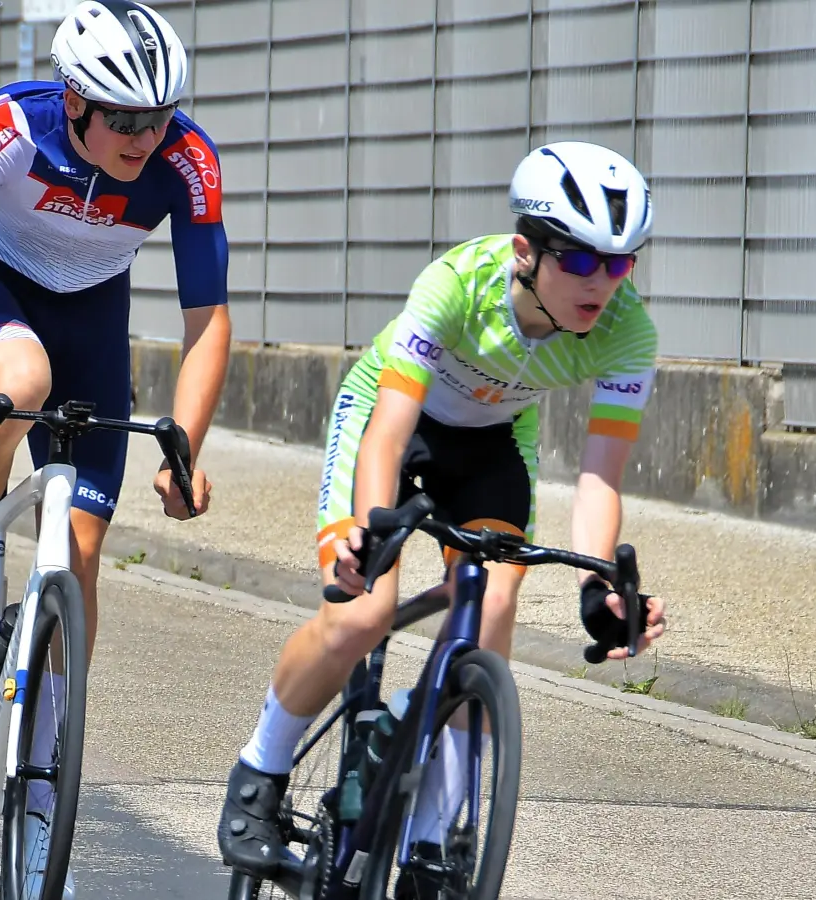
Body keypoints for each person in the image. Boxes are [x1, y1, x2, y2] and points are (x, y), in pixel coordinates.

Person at [216, 141, 670, 895]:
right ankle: (259, 770)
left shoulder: (628, 334)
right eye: (581, 261)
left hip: (491, 445)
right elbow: (388, 433)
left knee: (490, 609)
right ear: (525, 252)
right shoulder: (455, 284)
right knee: (360, 614)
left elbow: (597, 479)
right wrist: (367, 530)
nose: (603, 283)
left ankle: (428, 842)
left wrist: (599, 588)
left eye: (619, 263)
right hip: (390, 419)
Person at [0, 1, 231, 893]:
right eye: (122, 117)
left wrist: (184, 448)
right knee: (20, 384)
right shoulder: (2, 130)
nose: (142, 136)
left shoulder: (187, 162)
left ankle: (40, 802)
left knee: (77, 561)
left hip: (94, 316)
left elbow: (208, 322)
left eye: (157, 117)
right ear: (75, 101)